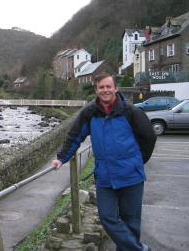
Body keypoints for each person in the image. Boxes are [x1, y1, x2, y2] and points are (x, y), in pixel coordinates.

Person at [52, 72, 156, 251]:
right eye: (101, 87)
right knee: (107, 217)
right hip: (105, 177)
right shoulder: (89, 113)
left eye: (109, 86)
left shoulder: (131, 112)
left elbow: (149, 137)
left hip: (132, 176)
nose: (105, 90)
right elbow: (74, 136)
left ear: (115, 88)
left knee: (131, 221)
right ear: (96, 90)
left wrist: (138, 161)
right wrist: (61, 158)